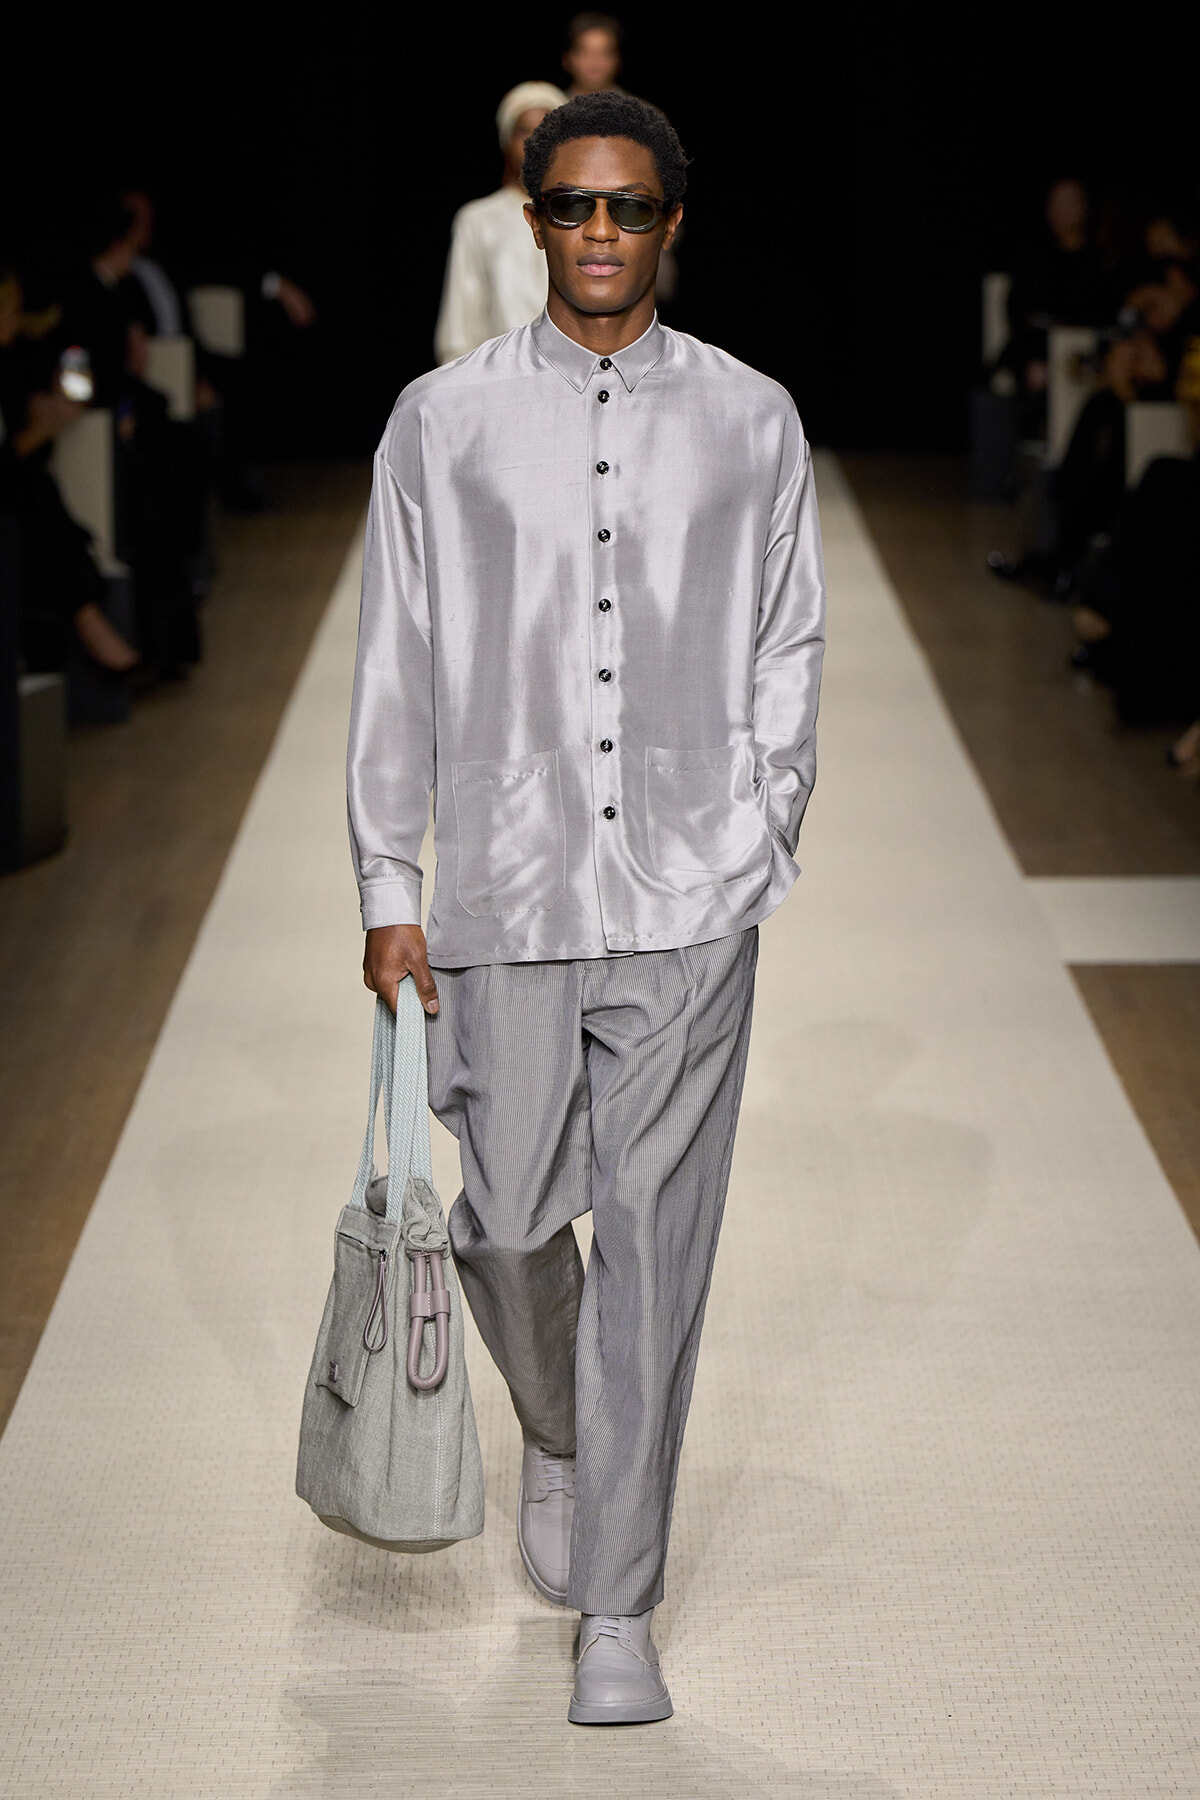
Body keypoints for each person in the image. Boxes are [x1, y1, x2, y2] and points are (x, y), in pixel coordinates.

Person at [348, 91, 825, 1725]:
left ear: (673, 223)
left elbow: (789, 639)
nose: (601, 236)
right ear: (532, 217)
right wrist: (383, 880)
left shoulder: (755, 418)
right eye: (573, 209)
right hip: (508, 878)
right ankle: (559, 1431)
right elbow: (394, 659)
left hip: (691, 891)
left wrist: (763, 821)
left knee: (657, 1255)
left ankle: (618, 1605)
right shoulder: (443, 421)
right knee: (500, 1223)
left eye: (630, 210)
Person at [434, 82, 568, 365]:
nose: (534, 141)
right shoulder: (479, 219)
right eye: (523, 130)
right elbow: (459, 324)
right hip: (498, 379)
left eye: (545, 130)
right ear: (506, 139)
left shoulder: (580, 212)